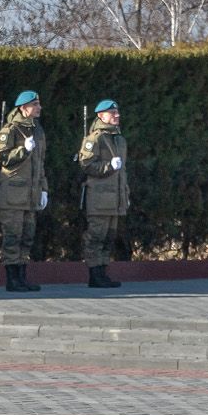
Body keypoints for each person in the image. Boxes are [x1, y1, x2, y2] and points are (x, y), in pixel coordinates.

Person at [0, 91, 48, 292]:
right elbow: (2, 159)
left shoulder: (38, 131)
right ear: (23, 108)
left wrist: (44, 189)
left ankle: (22, 277)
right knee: (12, 236)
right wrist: (22, 149)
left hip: (31, 194)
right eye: (35, 104)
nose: (39, 108)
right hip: (13, 194)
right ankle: (12, 279)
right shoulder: (10, 130)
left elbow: (40, 164)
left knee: (27, 237)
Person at [79, 99, 127, 288]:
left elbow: (123, 172)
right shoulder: (95, 138)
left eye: (117, 112)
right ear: (101, 116)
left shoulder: (119, 139)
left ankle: (103, 273)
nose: (116, 115)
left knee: (109, 237)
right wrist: (108, 166)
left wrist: (125, 194)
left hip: (115, 198)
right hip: (99, 198)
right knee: (96, 236)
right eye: (112, 113)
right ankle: (94, 274)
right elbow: (86, 164)